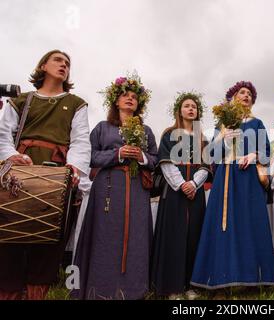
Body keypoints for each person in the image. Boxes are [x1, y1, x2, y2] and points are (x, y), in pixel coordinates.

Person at [0, 50, 90, 300]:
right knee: (9, 243)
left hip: (57, 177)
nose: (64, 65)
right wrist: (10, 156)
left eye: (68, 63)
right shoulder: (21, 100)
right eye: (58, 60)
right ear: (43, 66)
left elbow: (81, 141)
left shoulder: (76, 103)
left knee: (48, 247)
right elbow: (3, 134)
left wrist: (74, 169)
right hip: (19, 175)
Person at [72, 74, 158, 300]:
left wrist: (142, 157)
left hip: (138, 188)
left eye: (133, 97)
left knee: (136, 236)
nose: (130, 99)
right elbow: (90, 156)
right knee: (104, 235)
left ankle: (134, 289)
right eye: (124, 96)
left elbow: (156, 160)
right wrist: (117, 153)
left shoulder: (146, 130)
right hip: (108, 188)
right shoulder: (102, 128)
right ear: (116, 101)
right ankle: (99, 289)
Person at [190, 81, 274, 292]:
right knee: (223, 226)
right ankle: (219, 281)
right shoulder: (224, 122)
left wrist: (253, 155)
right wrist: (222, 137)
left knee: (249, 224)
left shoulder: (257, 123)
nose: (245, 96)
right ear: (233, 98)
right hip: (226, 178)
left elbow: (267, 150)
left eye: (249, 94)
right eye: (241, 93)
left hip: (248, 180)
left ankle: (253, 281)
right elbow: (210, 155)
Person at [150, 92, 211, 300]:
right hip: (174, 191)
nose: (191, 109)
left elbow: (206, 166)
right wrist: (182, 184)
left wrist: (194, 184)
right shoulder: (169, 134)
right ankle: (171, 287)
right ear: (180, 110)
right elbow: (166, 162)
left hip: (196, 191)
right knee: (173, 237)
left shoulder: (203, 138)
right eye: (187, 106)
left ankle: (190, 285)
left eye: (194, 106)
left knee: (194, 236)